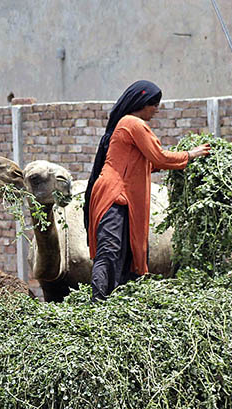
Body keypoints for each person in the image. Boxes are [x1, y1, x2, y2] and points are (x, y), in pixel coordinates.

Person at [84, 80, 210, 301]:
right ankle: (98, 302)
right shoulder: (133, 123)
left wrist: (177, 162)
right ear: (143, 104)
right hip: (114, 195)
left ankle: (115, 299)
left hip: (121, 195)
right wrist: (191, 154)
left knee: (124, 251)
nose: (157, 110)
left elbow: (147, 164)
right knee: (110, 249)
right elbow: (159, 156)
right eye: (155, 105)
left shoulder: (128, 124)